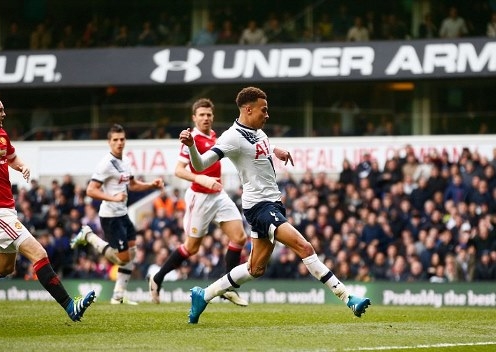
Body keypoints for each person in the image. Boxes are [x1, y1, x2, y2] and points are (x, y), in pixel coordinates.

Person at [179, 87, 371, 324]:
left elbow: (259, 148)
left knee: (255, 269)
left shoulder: (258, 132)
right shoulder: (231, 137)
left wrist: (276, 150)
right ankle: (348, 297)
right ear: (248, 109)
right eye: (264, 110)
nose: (267, 115)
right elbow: (200, 165)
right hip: (260, 207)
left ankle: (203, 295)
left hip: (273, 204)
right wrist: (191, 146)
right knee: (304, 247)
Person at [0, 100, 95, 321]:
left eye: (3, 109)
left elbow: (11, 157)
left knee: (5, 268)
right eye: (0, 110)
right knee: (39, 254)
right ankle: (70, 306)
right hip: (1, 212)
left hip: (8, 209)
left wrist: (21, 166)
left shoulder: (2, 134)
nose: (4, 113)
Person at [149, 98, 248, 307]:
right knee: (192, 248)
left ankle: (226, 287)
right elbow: (178, 170)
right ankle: (157, 278)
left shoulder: (214, 136)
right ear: (194, 118)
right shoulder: (191, 139)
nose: (206, 118)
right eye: (201, 115)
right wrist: (201, 178)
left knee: (239, 238)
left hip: (218, 195)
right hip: (199, 198)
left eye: (209, 115)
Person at [71, 124, 164, 304]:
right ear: (109, 142)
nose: (119, 143)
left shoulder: (126, 161)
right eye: (115, 140)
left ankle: (118, 296)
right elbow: (91, 190)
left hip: (122, 214)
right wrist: (112, 198)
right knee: (123, 259)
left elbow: (133, 185)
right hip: (110, 216)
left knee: (132, 252)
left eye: (122, 139)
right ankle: (88, 235)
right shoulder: (105, 164)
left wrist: (152, 185)